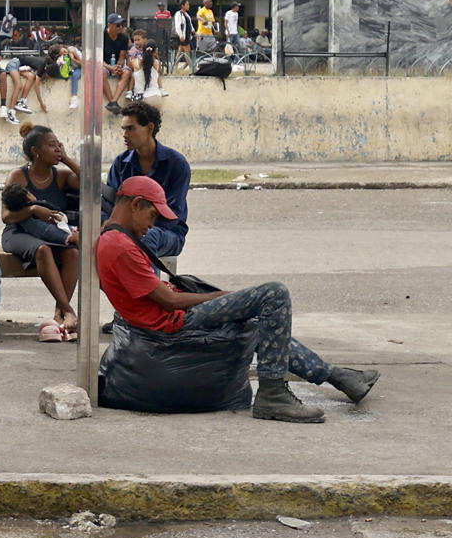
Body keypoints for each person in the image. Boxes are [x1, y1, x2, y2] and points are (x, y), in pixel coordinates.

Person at [99, 176, 377, 423]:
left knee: (260, 321)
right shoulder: (121, 246)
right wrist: (224, 297)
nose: (152, 225)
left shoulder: (112, 236)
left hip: (165, 319)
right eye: (152, 216)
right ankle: (273, 395)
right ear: (136, 204)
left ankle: (337, 376)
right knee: (274, 294)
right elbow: (168, 302)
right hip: (172, 324)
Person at [0, 124, 84, 337]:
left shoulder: (61, 176)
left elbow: (91, 183)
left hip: (51, 232)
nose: (57, 149)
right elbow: (6, 216)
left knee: (73, 253)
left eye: (59, 145)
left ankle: (59, 315)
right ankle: (68, 311)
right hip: (18, 232)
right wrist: (34, 209)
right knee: (43, 250)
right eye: (51, 145)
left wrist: (67, 159)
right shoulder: (18, 176)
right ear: (36, 152)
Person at [104, 100, 190, 258]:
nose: (125, 135)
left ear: (150, 128)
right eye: (123, 129)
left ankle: (144, 283)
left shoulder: (176, 163)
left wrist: (138, 229)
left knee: (148, 238)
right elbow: (111, 205)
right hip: (126, 229)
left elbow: (172, 214)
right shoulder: (120, 163)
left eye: (131, 128)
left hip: (167, 233)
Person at [101, 14, 134, 113]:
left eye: (122, 25)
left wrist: (118, 67)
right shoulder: (101, 36)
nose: (121, 27)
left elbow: (122, 56)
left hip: (116, 64)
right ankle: (112, 101)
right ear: (109, 25)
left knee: (127, 73)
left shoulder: (124, 38)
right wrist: (110, 67)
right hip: (104, 64)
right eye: (117, 25)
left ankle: (114, 101)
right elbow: (97, 58)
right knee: (102, 72)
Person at [172, 2, 193, 69]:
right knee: (187, 51)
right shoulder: (179, 14)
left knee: (180, 51)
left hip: (187, 35)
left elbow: (190, 24)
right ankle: (191, 67)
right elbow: (178, 25)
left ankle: (175, 66)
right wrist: (180, 35)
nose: (188, 6)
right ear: (182, 6)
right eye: (187, 4)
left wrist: (193, 31)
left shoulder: (186, 14)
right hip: (183, 36)